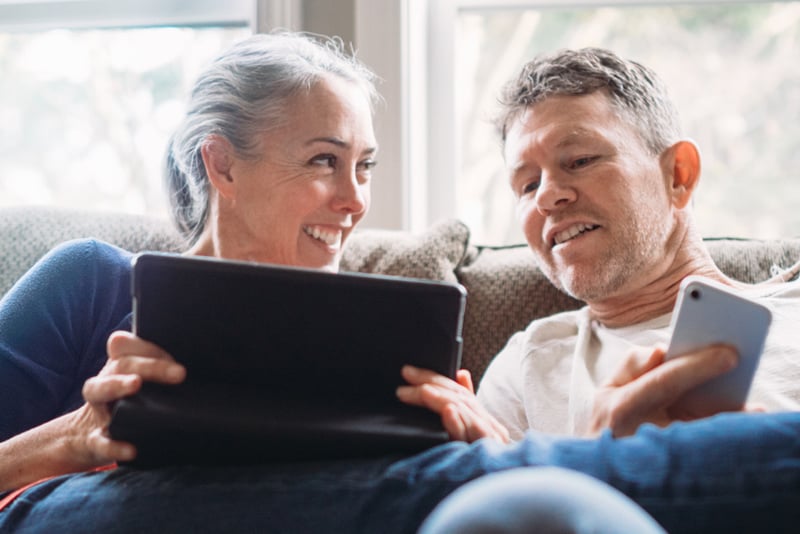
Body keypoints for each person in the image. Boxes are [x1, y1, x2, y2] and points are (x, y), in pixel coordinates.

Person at [0, 34, 660, 534]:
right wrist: (76, 436)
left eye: (365, 168)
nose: (355, 201)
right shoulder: (87, 284)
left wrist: (479, 446)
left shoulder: (379, 339)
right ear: (222, 165)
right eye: (325, 160)